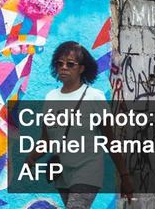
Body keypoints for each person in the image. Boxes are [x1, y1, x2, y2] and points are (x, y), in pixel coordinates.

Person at [26, 41, 133, 208]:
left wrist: (125, 176)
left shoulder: (94, 97)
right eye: (59, 64)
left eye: (70, 64)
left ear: (82, 68)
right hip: (62, 174)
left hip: (87, 172)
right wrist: (32, 157)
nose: (64, 68)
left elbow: (110, 140)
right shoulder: (50, 98)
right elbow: (46, 140)